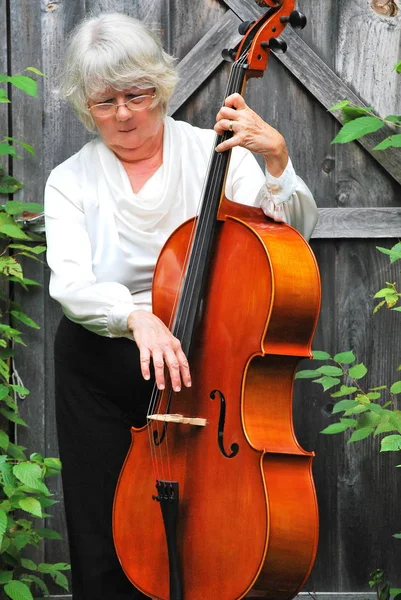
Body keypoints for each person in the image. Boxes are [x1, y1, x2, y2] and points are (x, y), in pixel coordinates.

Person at [44, 11, 318, 600]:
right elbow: (70, 283)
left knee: (212, 521)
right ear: (84, 105)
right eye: (104, 101)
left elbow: (289, 236)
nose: (123, 114)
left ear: (160, 88)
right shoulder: (71, 180)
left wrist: (276, 161)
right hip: (105, 360)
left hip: (207, 360)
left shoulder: (213, 153)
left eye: (137, 95)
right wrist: (137, 317)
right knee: (99, 522)